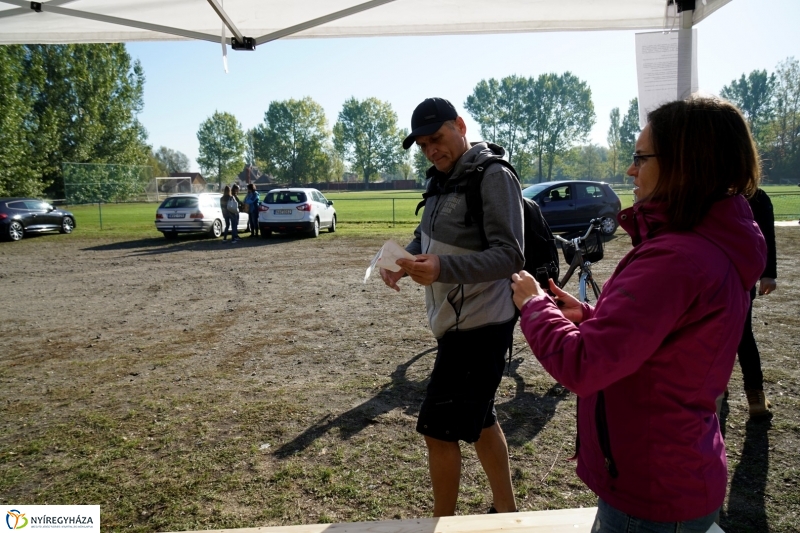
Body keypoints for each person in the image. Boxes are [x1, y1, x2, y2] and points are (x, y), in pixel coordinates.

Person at [509, 96, 766, 531]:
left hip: (650, 495)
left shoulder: (675, 258)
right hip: (673, 474)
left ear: (685, 164)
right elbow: (666, 338)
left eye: (641, 158)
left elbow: (583, 364)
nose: (630, 170)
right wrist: (590, 315)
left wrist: (534, 306)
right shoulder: (705, 245)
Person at [379, 97, 523, 517]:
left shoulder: (492, 176)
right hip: (455, 321)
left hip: (481, 323)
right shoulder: (441, 180)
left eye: (437, 138)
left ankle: (441, 525)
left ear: (460, 125)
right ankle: (507, 511)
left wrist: (443, 268)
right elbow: (426, 236)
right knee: (480, 419)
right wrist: (403, 260)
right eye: (423, 145)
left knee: (437, 430)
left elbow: (511, 254)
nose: (431, 150)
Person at [736, 188, 778, 418]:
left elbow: (766, 235)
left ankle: (754, 393)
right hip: (731, 274)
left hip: (734, 275)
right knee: (739, 333)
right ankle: (754, 394)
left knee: (740, 333)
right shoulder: (703, 192)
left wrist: (769, 273)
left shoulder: (755, 197)